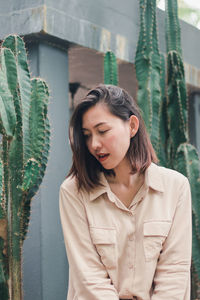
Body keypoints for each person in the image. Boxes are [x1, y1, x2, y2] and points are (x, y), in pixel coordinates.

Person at [59, 84, 192, 300]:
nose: (94, 144)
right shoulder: (74, 192)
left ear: (132, 126)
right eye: (86, 135)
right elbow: (89, 278)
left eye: (102, 131)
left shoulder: (176, 187)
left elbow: (174, 273)